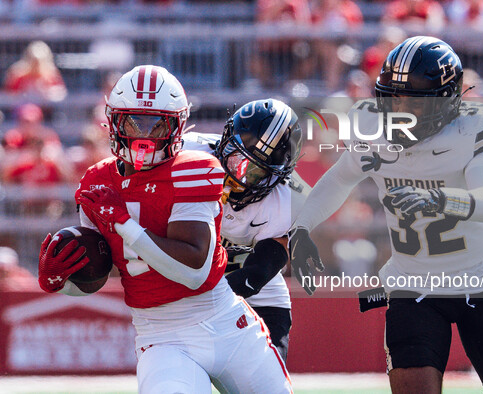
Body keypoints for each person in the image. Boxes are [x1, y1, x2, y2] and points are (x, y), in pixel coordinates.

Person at [290, 36, 483, 393]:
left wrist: (440, 200)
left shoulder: (472, 128)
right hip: (412, 286)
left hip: (481, 282)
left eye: (416, 101)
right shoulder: (372, 128)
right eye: (393, 97)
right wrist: (302, 228)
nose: (401, 109)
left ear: (448, 101)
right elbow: (340, 178)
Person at [37, 65, 292, 393]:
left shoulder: (193, 168)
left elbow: (194, 271)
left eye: (158, 125)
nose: (145, 136)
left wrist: (124, 224)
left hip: (225, 324)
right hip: (163, 339)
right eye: (134, 122)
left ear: (178, 127)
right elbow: (99, 271)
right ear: (114, 122)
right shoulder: (97, 181)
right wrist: (61, 281)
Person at [182, 98, 306, 362]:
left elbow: (257, 273)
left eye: (255, 171)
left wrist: (202, 298)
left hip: (256, 292)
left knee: (268, 381)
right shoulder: (189, 153)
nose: (239, 176)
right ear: (225, 141)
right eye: (237, 158)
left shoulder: (287, 199)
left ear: (276, 176)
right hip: (188, 283)